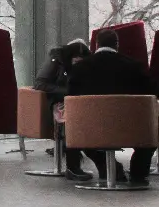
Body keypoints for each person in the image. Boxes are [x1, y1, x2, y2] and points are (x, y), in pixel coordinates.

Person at [63, 29, 157, 184]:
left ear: (96, 44)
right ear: (117, 45)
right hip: (130, 129)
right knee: (153, 132)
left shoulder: (80, 69)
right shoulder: (134, 67)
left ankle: (108, 167)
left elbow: (71, 99)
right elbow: (151, 93)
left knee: (82, 133)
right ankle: (138, 173)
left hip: (91, 130)